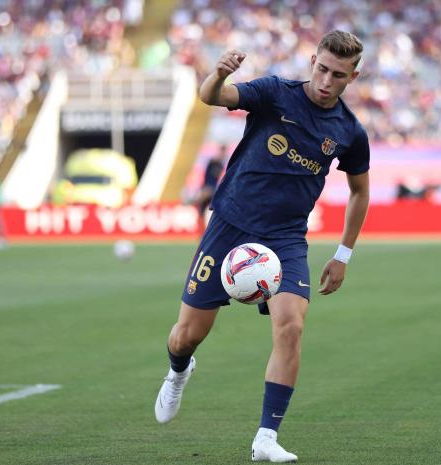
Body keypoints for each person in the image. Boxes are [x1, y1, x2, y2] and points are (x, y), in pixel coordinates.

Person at [154, 30, 370, 463]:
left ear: (353, 77)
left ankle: (266, 438)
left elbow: (359, 191)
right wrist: (217, 75)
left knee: (291, 326)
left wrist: (343, 254)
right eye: (322, 68)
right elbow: (211, 97)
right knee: (187, 335)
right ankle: (179, 370)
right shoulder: (274, 93)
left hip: (286, 237)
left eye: (338, 75)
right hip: (231, 224)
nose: (327, 80)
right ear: (313, 60)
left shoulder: (349, 131)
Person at [191, 144, 227, 230]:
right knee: (202, 209)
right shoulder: (212, 162)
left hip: (212, 190)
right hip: (207, 188)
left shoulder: (220, 164)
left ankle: (207, 229)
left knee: (209, 211)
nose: (222, 154)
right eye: (222, 152)